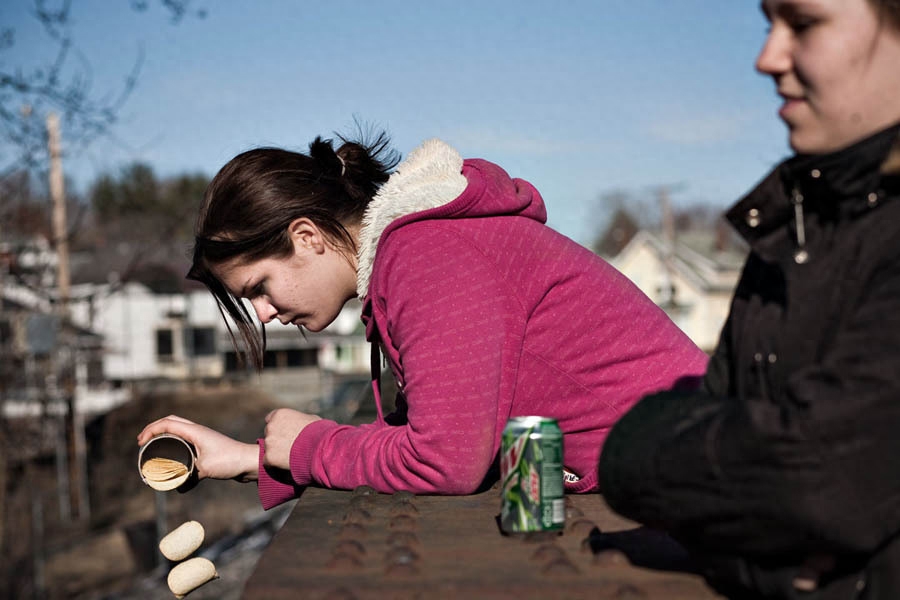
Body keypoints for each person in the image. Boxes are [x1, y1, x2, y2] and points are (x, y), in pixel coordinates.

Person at [137, 131, 708, 509]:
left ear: (306, 236)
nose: (264, 313)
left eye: (258, 287)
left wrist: (310, 445)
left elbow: (444, 462)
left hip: (701, 475)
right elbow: (436, 441)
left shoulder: (428, 257)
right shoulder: (410, 259)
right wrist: (249, 459)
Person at [598, 0, 900, 598]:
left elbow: (817, 480)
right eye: (769, 25)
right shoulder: (794, 233)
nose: (767, 58)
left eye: (805, 25)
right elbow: (685, 471)